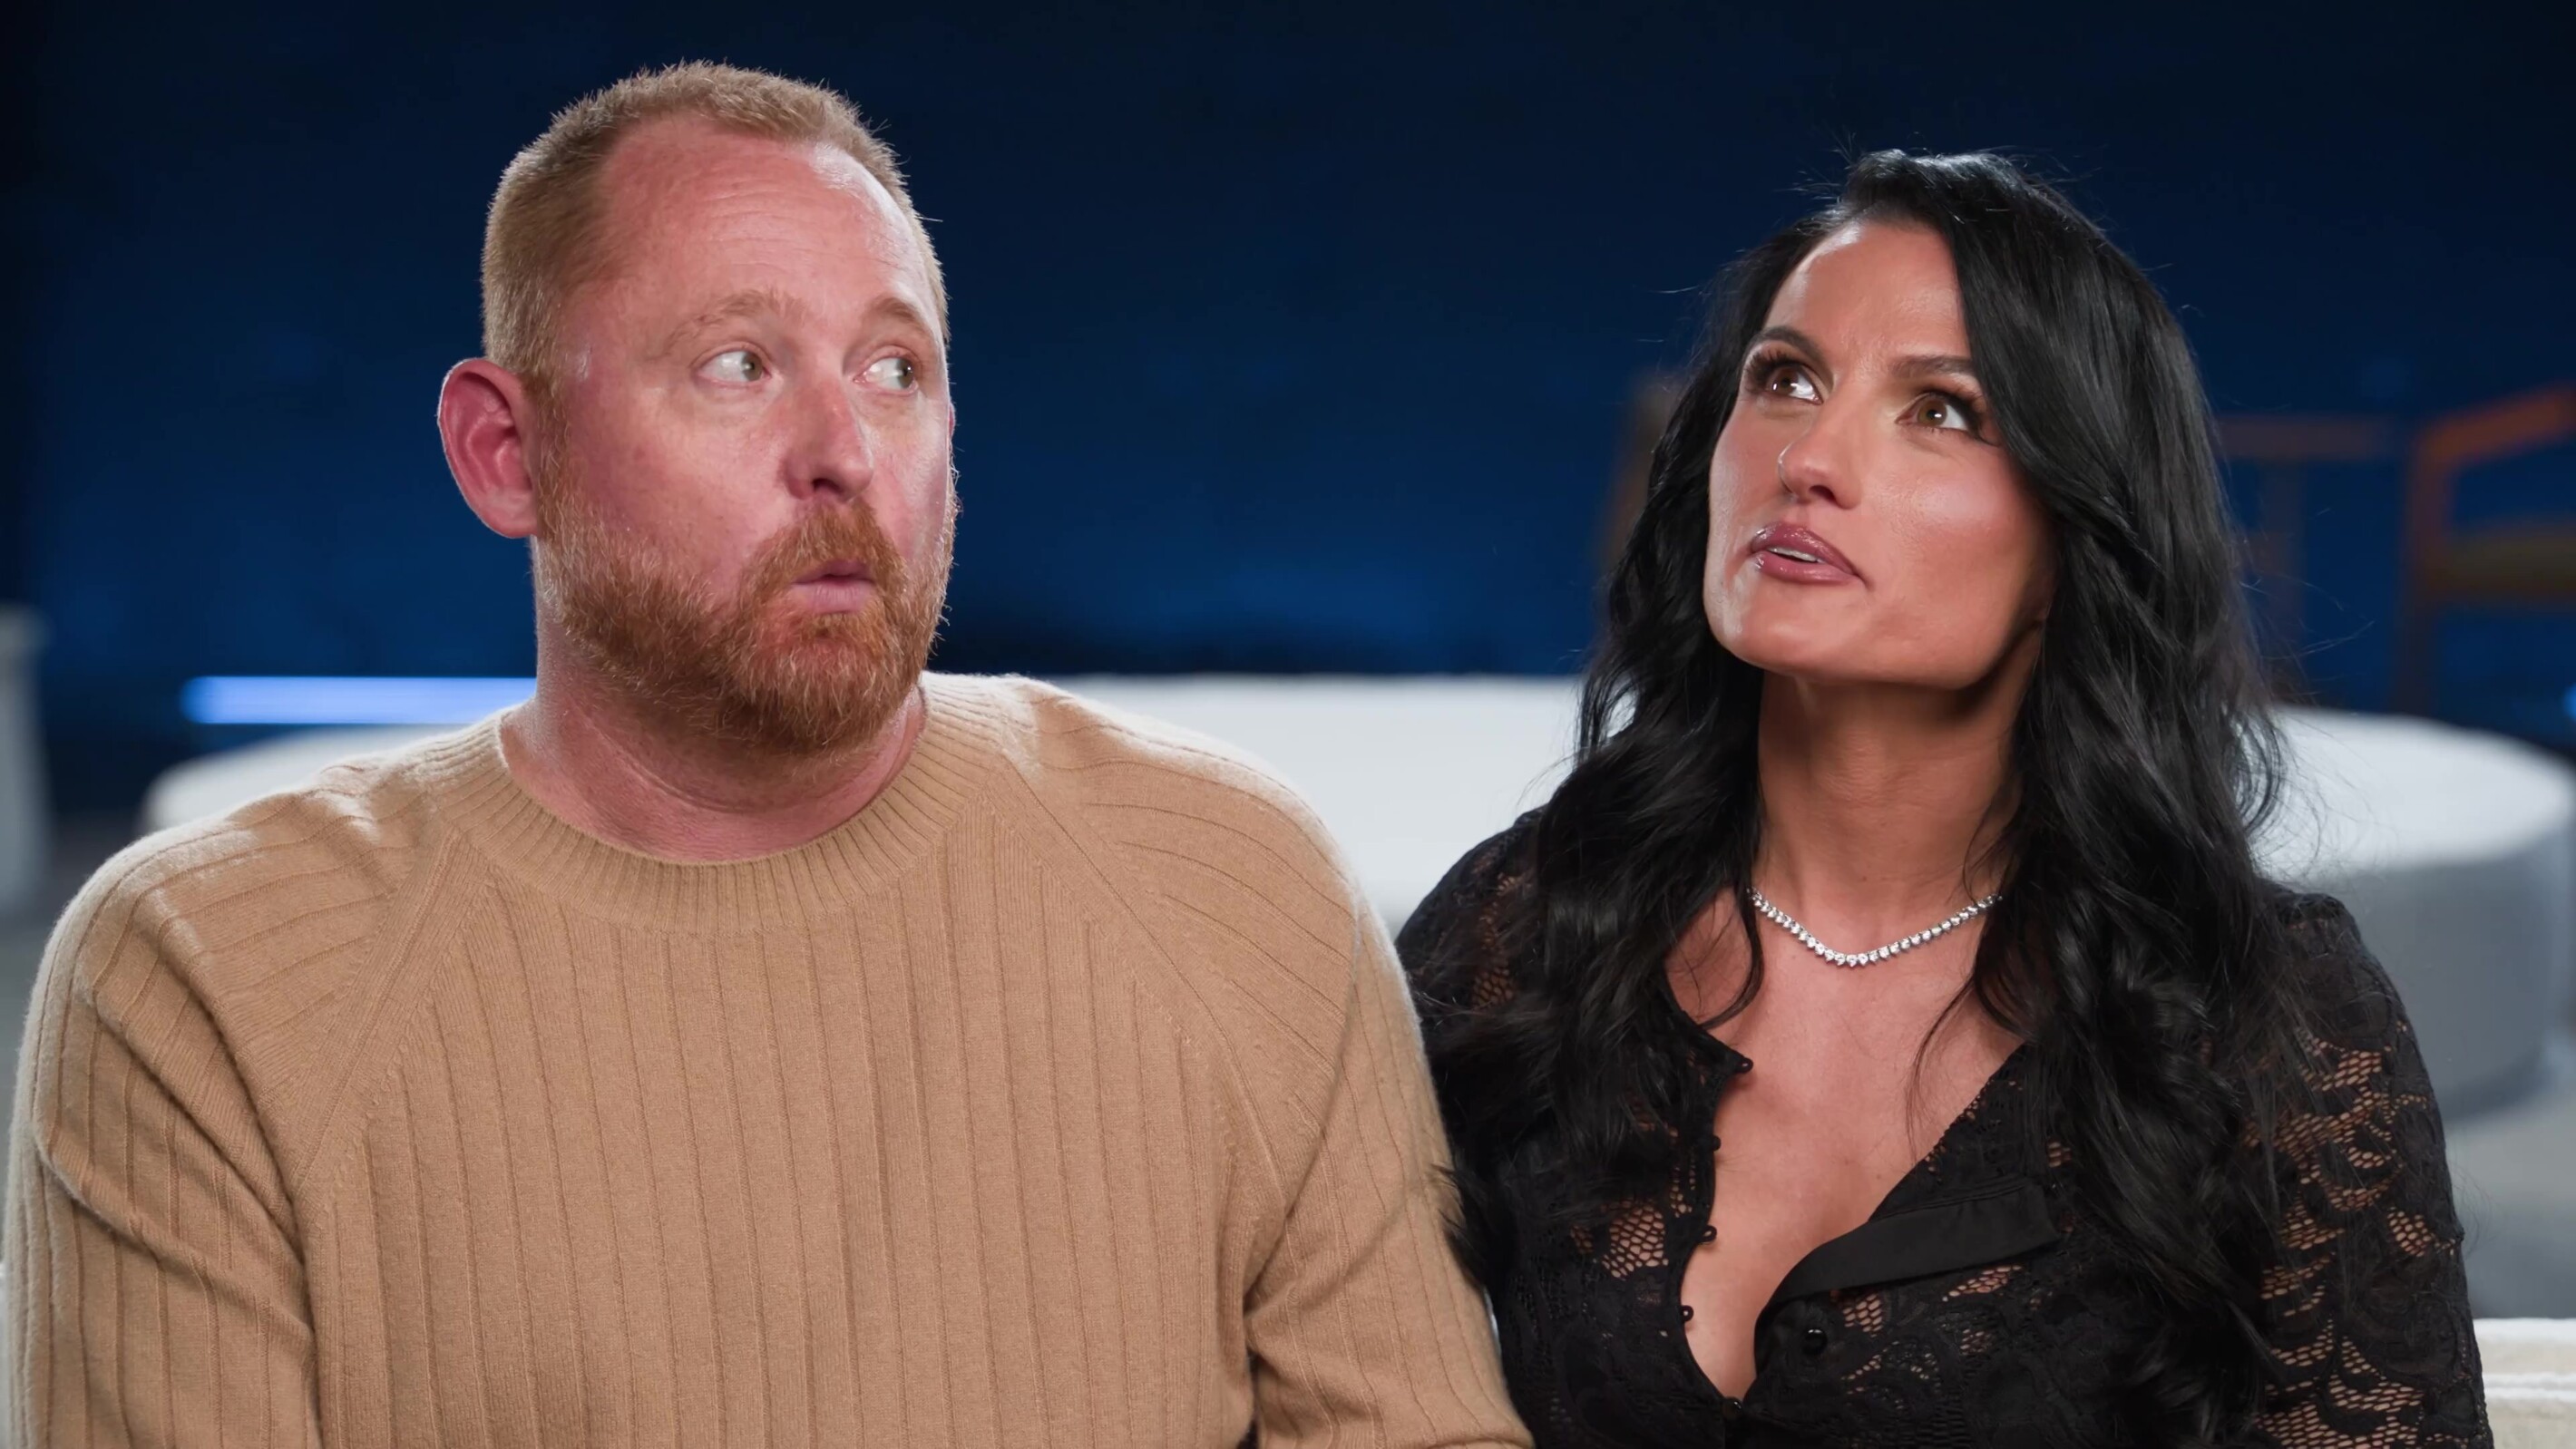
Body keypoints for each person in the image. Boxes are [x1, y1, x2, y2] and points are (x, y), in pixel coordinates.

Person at [5, 63, 1526, 1448]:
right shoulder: (208, 976)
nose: (845, 451)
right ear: (505, 453)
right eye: (739, 365)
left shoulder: (1229, 880)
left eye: (894, 369)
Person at [1400, 151, 2489, 1447]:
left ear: (2077, 530)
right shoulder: (1524, 930)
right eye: (1784, 378)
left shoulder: (2264, 1015)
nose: (1811, 457)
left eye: (1941, 411)